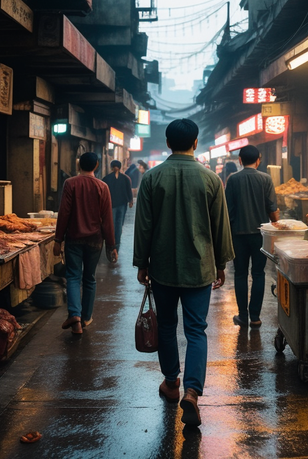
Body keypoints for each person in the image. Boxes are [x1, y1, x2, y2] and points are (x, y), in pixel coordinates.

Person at [133, 118, 234, 427]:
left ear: (167, 143)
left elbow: (144, 226)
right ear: (195, 143)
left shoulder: (152, 178)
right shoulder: (211, 179)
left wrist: (142, 263)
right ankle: (193, 390)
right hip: (200, 267)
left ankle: (172, 382)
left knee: (166, 326)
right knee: (196, 330)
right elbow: (220, 226)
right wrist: (221, 263)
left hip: (163, 268)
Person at [53, 152, 118, 335]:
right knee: (89, 278)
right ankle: (86, 316)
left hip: (74, 238)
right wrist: (111, 245)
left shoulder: (70, 183)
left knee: (73, 277)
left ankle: (75, 316)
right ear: (96, 165)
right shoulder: (103, 186)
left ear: (79, 165)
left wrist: (58, 239)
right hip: (95, 241)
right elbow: (107, 219)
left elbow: (64, 213)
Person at [225, 145, 279, 328]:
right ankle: (255, 317)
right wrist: (277, 223)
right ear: (259, 159)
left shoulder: (232, 180)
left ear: (239, 160)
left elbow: (227, 210)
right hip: (259, 235)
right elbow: (273, 211)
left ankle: (242, 316)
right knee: (258, 274)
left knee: (240, 274)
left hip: (238, 235)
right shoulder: (266, 179)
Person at [102, 160, 133, 252]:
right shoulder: (125, 178)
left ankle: (111, 244)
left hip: (111, 205)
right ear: (120, 167)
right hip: (122, 205)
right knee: (119, 225)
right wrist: (130, 201)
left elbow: (103, 192)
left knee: (111, 225)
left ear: (111, 167)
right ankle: (117, 244)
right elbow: (129, 190)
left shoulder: (106, 178)